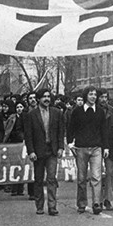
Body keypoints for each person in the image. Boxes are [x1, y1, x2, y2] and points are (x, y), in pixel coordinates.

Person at [67, 86, 109, 215]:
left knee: (96, 177)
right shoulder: (77, 111)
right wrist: (69, 142)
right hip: (81, 147)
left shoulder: (100, 112)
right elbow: (70, 128)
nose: (93, 97)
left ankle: (96, 203)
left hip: (96, 147)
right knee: (81, 177)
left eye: (95, 95)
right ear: (86, 96)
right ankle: (81, 203)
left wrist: (106, 147)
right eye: (91, 94)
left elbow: (104, 130)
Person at [24, 88, 64, 216]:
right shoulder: (31, 115)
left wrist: (60, 147)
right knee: (39, 179)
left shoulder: (57, 113)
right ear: (38, 99)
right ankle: (39, 206)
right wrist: (31, 151)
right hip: (38, 151)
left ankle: (52, 206)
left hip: (52, 150)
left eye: (48, 96)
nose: (47, 99)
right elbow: (28, 135)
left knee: (52, 179)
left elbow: (60, 132)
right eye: (44, 97)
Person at [98, 88, 113, 211]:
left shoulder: (112, 110)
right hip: (97, 144)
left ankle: (108, 199)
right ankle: (99, 199)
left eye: (106, 97)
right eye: (102, 97)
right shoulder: (94, 110)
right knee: (98, 173)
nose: (104, 100)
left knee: (110, 173)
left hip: (110, 145)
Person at [3, 100, 26, 196]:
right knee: (13, 166)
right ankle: (14, 188)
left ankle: (20, 188)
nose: (19, 109)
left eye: (21, 107)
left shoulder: (27, 117)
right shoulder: (12, 118)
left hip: (23, 144)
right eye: (17, 107)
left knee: (22, 166)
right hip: (13, 144)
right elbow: (7, 130)